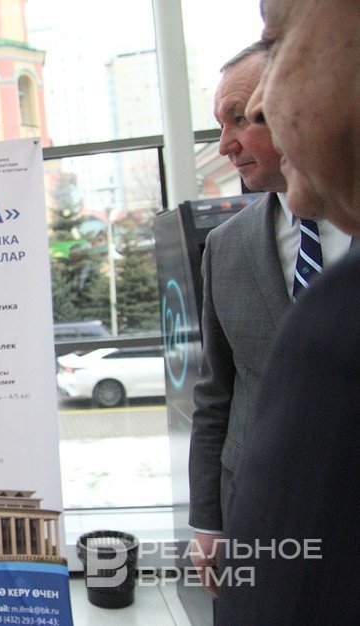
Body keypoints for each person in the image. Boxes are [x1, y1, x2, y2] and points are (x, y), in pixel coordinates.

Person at [188, 41, 352, 596]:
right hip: (260, 514)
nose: (225, 145)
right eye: (221, 124)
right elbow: (215, 393)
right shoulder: (225, 247)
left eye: (242, 118)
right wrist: (208, 523)